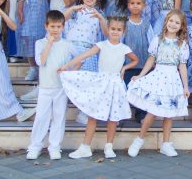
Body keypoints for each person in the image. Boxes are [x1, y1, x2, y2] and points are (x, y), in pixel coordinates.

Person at [60, 16, 139, 159]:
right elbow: (85, 55)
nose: (115, 32)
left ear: (123, 31)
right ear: (107, 29)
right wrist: (67, 66)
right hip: (101, 83)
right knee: (93, 115)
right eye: (112, 29)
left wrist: (124, 68)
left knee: (113, 117)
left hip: (115, 84)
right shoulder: (101, 45)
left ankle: (109, 146)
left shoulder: (124, 48)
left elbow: (135, 60)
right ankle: (85, 147)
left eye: (118, 30)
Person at [126, 10, 190, 158]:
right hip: (158, 77)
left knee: (169, 114)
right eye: (171, 21)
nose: (173, 24)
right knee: (152, 112)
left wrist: (185, 86)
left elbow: (182, 66)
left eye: (177, 22)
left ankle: (166, 144)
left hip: (173, 80)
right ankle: (139, 140)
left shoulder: (182, 44)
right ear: (166, 21)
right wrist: (141, 75)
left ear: (181, 26)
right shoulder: (158, 39)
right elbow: (151, 59)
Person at [26, 10, 75, 160]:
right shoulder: (40, 43)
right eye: (52, 26)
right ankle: (35, 146)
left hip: (61, 87)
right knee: (41, 117)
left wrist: (68, 69)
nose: (55, 29)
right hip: (46, 87)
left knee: (59, 117)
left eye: (58, 26)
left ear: (63, 27)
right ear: (46, 26)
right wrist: (49, 43)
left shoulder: (67, 44)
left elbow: (79, 60)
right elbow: (41, 61)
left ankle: (55, 147)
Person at [123, 0, 156, 123]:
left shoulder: (146, 23)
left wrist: (154, 61)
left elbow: (152, 42)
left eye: (138, 3)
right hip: (128, 64)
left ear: (144, 6)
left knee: (143, 90)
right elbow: (120, 43)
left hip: (144, 64)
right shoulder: (124, 23)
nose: (135, 6)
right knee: (126, 88)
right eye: (132, 3)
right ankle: (122, 114)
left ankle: (141, 115)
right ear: (128, 5)